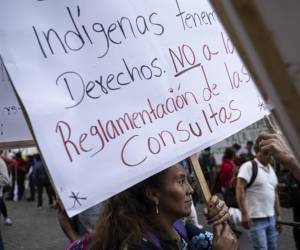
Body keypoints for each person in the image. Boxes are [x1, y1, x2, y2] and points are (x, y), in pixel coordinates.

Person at [66, 163, 238, 250]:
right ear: (153, 194)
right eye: (181, 181)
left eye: (188, 180)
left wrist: (220, 222)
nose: (190, 190)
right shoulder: (136, 245)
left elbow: (226, 243)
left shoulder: (181, 228)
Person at [236, 144, 281, 250]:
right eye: (266, 153)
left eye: (271, 153)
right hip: (256, 219)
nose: (269, 156)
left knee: (273, 247)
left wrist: (278, 215)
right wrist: (244, 214)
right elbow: (239, 189)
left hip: (271, 218)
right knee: (261, 248)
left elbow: (275, 193)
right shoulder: (249, 166)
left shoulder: (271, 169)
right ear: (257, 152)